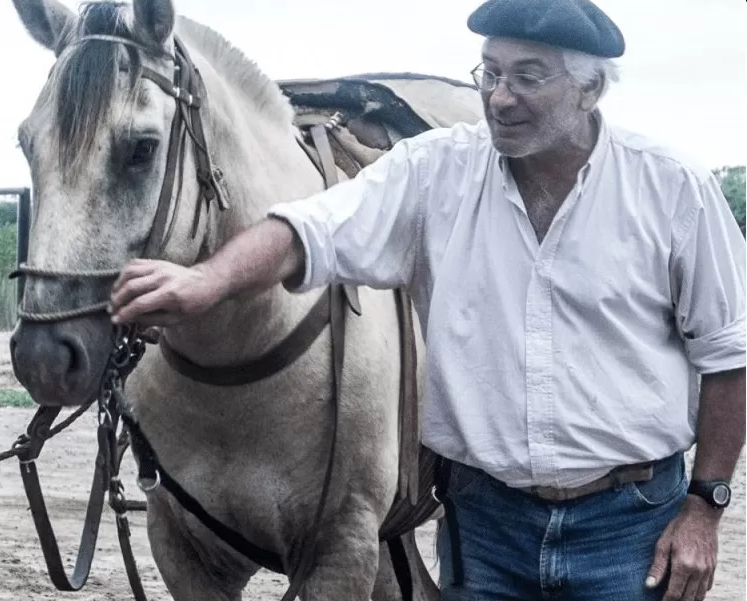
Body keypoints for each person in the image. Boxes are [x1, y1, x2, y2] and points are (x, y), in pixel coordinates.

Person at [108, 0, 746, 598]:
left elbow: (728, 356)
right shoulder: (435, 171)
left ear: (590, 88)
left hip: (629, 527)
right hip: (488, 527)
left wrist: (705, 504)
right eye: (490, 72)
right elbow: (310, 228)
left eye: (528, 77)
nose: (499, 97)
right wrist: (206, 282)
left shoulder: (672, 192)